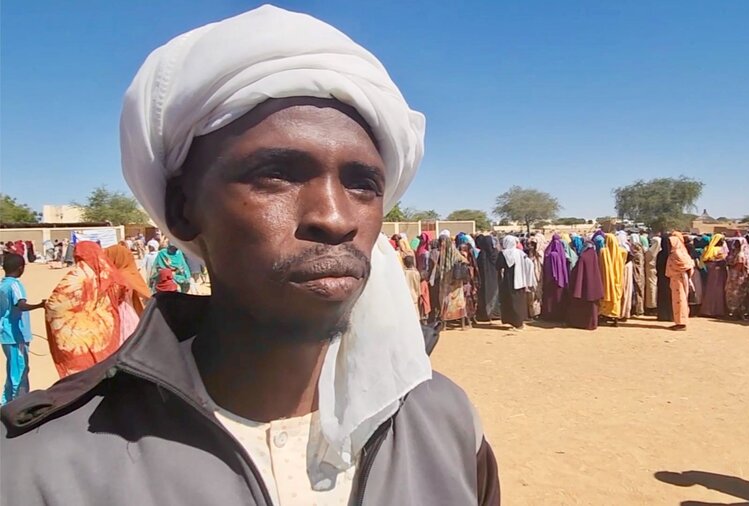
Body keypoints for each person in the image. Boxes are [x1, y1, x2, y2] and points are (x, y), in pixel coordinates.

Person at [1, 7, 499, 505]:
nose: (335, 216)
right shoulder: (43, 468)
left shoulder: (445, 425)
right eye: (277, 175)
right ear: (182, 209)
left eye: (363, 184)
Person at [44, 242, 129, 378]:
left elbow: (55, 304)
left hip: (78, 333)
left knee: (81, 374)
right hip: (103, 330)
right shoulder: (108, 273)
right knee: (102, 368)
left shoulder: (78, 274)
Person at [0, 254, 44, 404]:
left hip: (6, 334)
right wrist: (40, 305)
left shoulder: (3, 284)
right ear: (21, 268)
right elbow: (21, 304)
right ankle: (17, 404)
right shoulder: (14, 285)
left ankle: (6, 402)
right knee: (20, 370)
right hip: (16, 335)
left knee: (13, 369)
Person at [498, 235, 534, 330]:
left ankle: (517, 324)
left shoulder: (503, 253)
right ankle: (519, 322)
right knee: (519, 301)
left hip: (509, 280)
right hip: (520, 280)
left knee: (512, 301)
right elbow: (530, 263)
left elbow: (498, 265)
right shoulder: (520, 253)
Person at [566, 242, 604, 330]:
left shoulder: (583, 257)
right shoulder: (594, 255)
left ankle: (581, 323)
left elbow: (578, 271)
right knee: (592, 307)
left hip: (583, 286)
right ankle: (592, 324)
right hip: (593, 285)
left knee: (581, 305)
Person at [666, 232, 694, 331]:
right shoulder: (678, 252)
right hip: (676, 278)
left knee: (680, 299)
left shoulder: (678, 253)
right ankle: (679, 321)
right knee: (677, 299)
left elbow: (687, 264)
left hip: (679, 278)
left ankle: (681, 323)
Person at [599, 233, 627, 326]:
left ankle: (605, 315)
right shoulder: (622, 251)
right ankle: (615, 317)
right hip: (618, 278)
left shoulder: (603, 252)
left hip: (607, 279)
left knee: (607, 296)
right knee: (616, 298)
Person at [541, 234, 569, 322]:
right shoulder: (560, 252)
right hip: (559, 280)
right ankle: (559, 315)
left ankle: (550, 315)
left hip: (550, 280)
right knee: (557, 298)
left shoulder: (549, 253)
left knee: (550, 298)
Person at [700, 233, 728, 318]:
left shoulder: (707, 249)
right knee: (718, 291)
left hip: (712, 272)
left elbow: (704, 260)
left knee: (711, 290)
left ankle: (709, 310)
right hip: (718, 272)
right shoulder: (722, 250)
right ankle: (718, 311)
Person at [724, 237, 749, 319]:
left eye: (738, 243)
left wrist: (731, 266)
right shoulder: (736, 252)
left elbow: (739, 266)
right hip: (736, 276)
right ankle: (736, 312)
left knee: (736, 295)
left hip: (737, 278)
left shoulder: (741, 254)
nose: (736, 244)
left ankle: (737, 313)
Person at [475, 235, 500, 323]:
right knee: (495, 295)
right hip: (495, 278)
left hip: (484, 279)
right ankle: (496, 313)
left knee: (484, 295)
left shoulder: (482, 254)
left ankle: (485, 314)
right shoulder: (495, 253)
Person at [629, 233, 645, 317]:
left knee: (638, 292)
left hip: (637, 275)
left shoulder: (636, 252)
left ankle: (639, 310)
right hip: (640, 274)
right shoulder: (640, 250)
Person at [403, 255, 423, 320]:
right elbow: (417, 286)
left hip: (405, 296)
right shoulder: (416, 273)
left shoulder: (403, 273)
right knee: (415, 314)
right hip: (414, 296)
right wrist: (419, 293)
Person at [644, 236, 661, 312]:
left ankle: (651, 305)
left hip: (650, 270)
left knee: (651, 287)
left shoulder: (650, 251)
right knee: (655, 286)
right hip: (656, 270)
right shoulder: (660, 250)